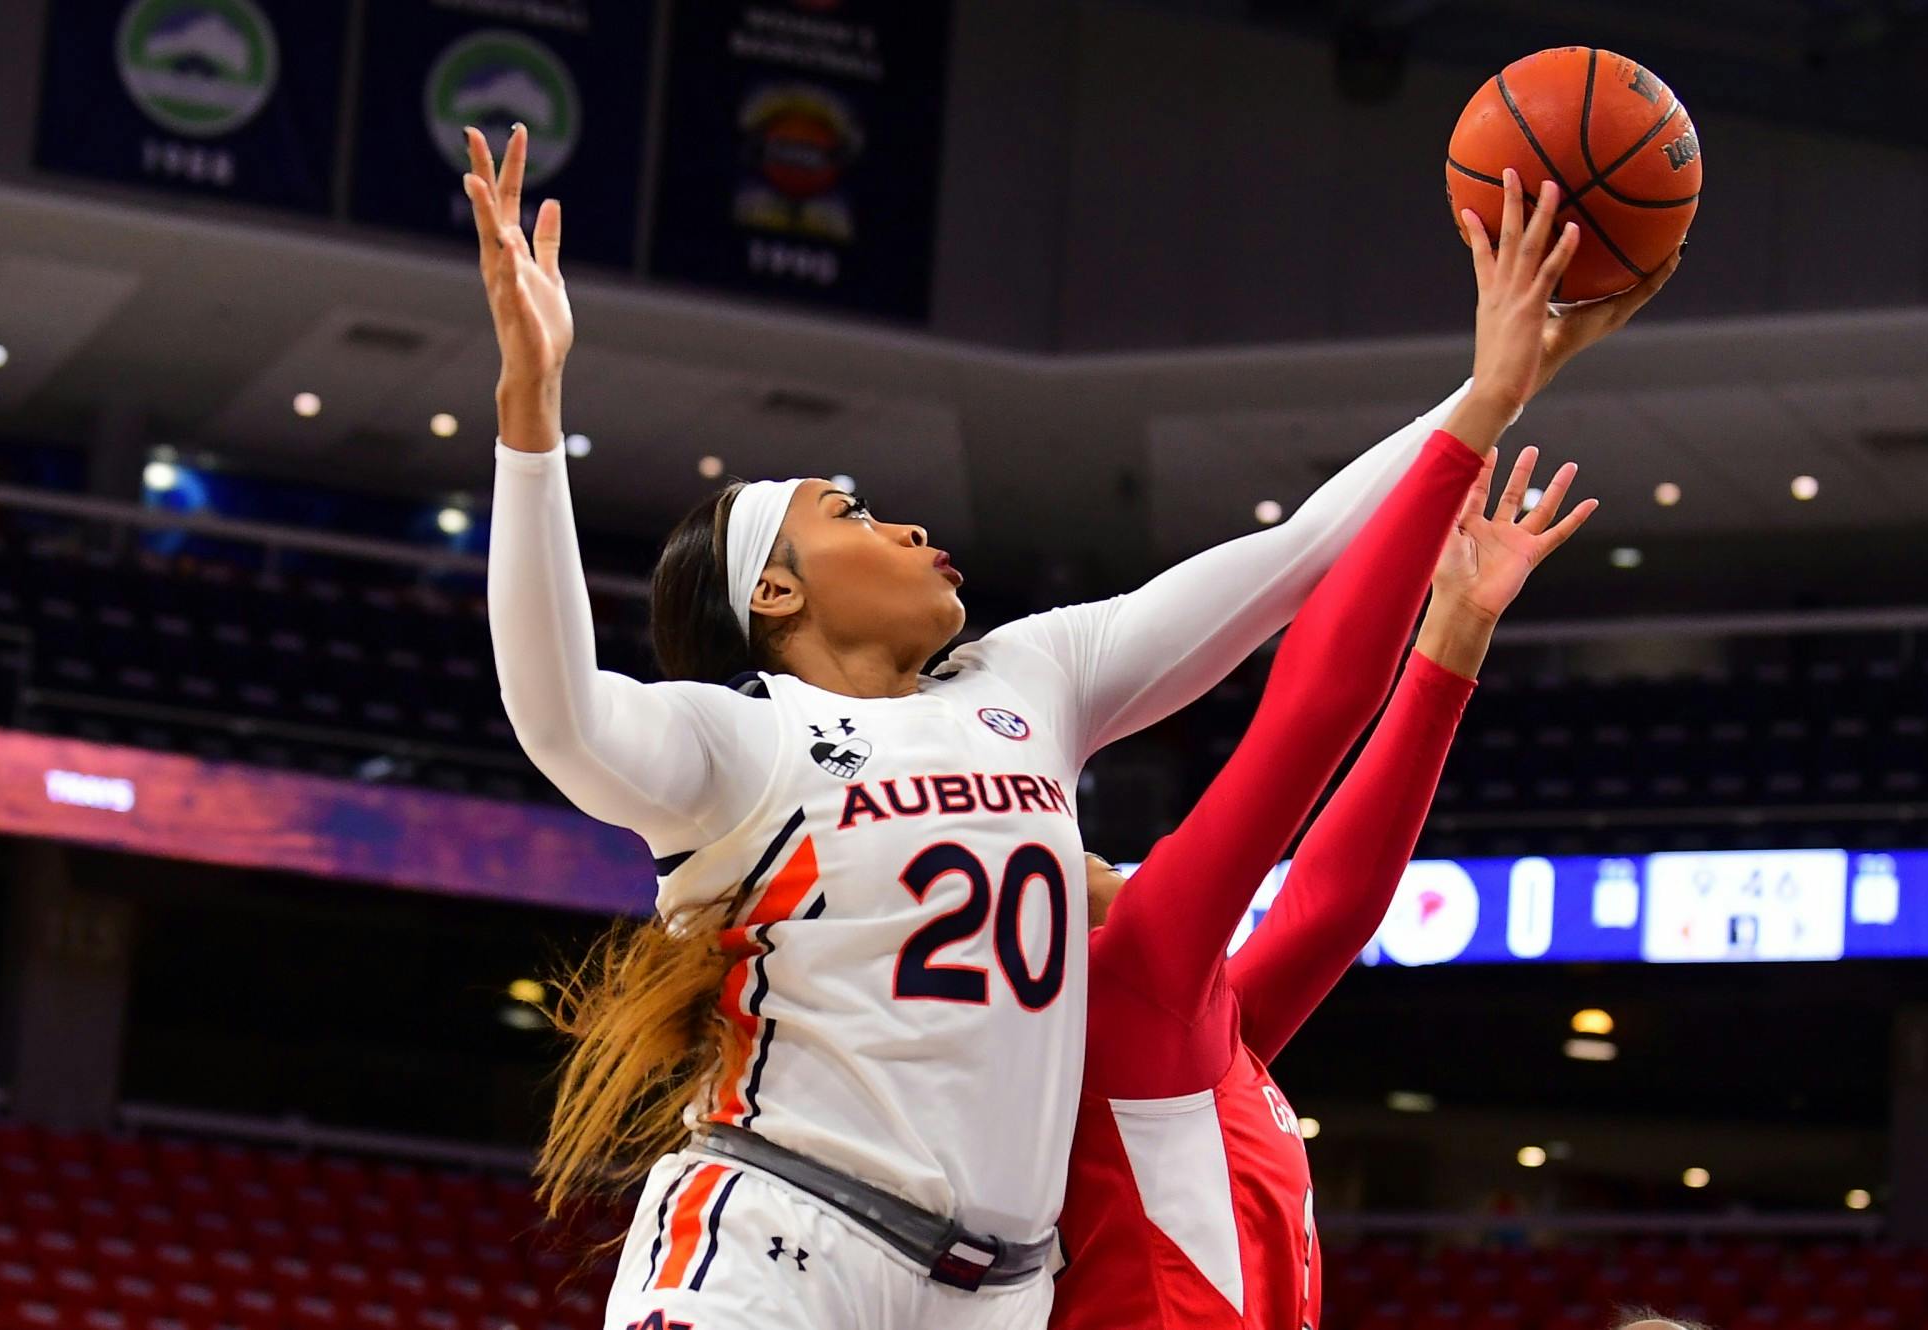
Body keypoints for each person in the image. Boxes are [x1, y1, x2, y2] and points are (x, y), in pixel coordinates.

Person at [465, 114, 1651, 1330]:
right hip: (785, 1235)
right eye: (849, 511)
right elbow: (556, 716)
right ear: (772, 589)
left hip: (1000, 1293)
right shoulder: (740, 742)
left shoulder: (1021, 678)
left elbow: (1295, 557)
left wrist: (1498, 385)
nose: (907, 526)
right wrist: (530, 405)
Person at [1052, 428, 1604, 1328]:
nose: (1106, 857)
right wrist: (1480, 412)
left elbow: (1335, 902)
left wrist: (1458, 625)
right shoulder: (1126, 988)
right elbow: (1312, 714)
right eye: (1088, 855)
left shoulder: (1203, 1027)